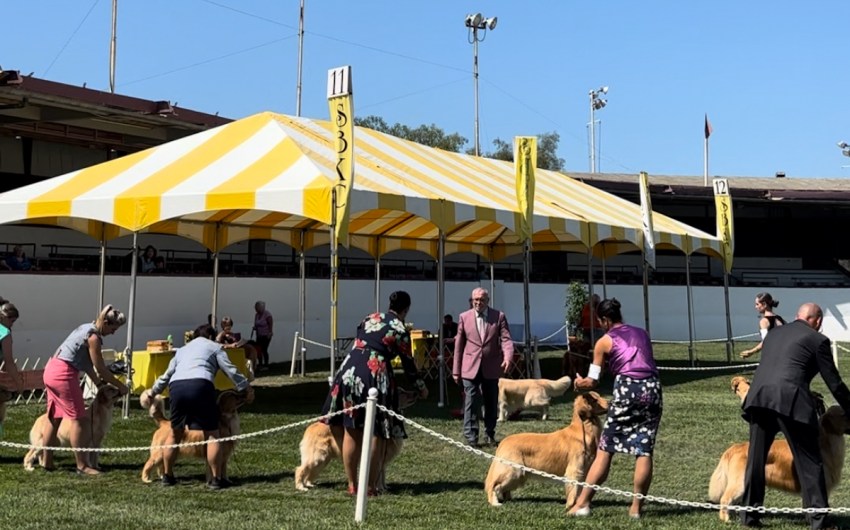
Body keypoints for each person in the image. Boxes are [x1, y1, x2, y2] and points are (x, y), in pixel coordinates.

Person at [739, 303, 850, 530]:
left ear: (798, 316)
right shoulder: (818, 340)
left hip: (759, 399)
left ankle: (749, 517)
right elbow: (835, 383)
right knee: (810, 463)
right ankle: (819, 521)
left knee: (755, 461)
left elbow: (780, 367)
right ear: (817, 321)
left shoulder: (773, 334)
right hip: (791, 403)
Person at [321, 291, 428, 496]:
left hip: (349, 369)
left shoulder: (369, 318)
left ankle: (353, 484)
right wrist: (421, 387)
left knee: (351, 428)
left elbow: (360, 339)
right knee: (377, 432)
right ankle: (369, 487)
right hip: (374, 372)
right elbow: (409, 365)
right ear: (406, 310)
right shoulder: (400, 329)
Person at [569, 298, 662, 519]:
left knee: (606, 448)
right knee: (644, 449)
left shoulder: (604, 341)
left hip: (627, 390)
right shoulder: (643, 333)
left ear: (605, 320)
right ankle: (636, 509)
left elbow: (592, 381)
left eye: (600, 321)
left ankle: (582, 504)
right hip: (652, 389)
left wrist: (578, 383)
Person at [142, 324, 253, 489]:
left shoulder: (182, 350)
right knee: (212, 434)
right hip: (201, 384)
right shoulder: (215, 347)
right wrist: (245, 387)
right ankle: (216, 479)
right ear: (211, 336)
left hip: (177, 388)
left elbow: (167, 375)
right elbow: (230, 369)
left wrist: (154, 391)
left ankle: (167, 475)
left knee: (175, 433)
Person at [40, 305, 130, 474]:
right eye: (113, 328)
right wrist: (121, 387)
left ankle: (47, 461)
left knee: (54, 417)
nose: (113, 333)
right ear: (105, 322)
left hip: (51, 369)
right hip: (64, 375)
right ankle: (82, 465)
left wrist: (99, 384)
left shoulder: (85, 328)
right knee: (79, 419)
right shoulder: (93, 337)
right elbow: (101, 368)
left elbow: (87, 365)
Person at [453, 287, 514, 448]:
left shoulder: (498, 316)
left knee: (491, 401)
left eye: (481, 300)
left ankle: (489, 433)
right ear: (471, 301)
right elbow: (459, 345)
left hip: (491, 367)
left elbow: (506, 340)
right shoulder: (464, 317)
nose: (478, 303)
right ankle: (471, 437)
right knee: (470, 401)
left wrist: (508, 357)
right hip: (469, 366)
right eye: (475, 300)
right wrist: (456, 370)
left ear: (488, 301)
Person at [740, 292, 786, 359]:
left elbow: (766, 341)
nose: (755, 307)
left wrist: (751, 351)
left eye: (757, 304)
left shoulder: (764, 321)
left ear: (764, 304)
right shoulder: (781, 319)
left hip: (772, 355)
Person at [216, 316, 258, 380]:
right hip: (227, 355)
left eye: (229, 325)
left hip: (236, 353)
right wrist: (229, 344)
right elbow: (217, 343)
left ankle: (251, 371)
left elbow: (237, 343)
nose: (227, 327)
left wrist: (238, 342)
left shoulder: (232, 334)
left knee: (250, 348)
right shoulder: (221, 334)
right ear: (222, 325)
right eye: (225, 325)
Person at [0, 302, 24, 393]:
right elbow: (9, 362)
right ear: (4, 317)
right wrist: (19, 383)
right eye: (12, 321)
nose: (12, 325)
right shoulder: (5, 333)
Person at [251, 301, 273, 370]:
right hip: (259, 335)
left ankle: (266, 365)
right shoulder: (257, 315)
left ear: (262, 307)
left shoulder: (267, 314)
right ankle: (260, 364)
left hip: (266, 335)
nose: (256, 309)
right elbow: (256, 324)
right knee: (258, 350)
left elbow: (270, 324)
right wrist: (255, 328)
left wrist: (270, 333)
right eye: (255, 308)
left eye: (257, 307)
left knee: (264, 349)